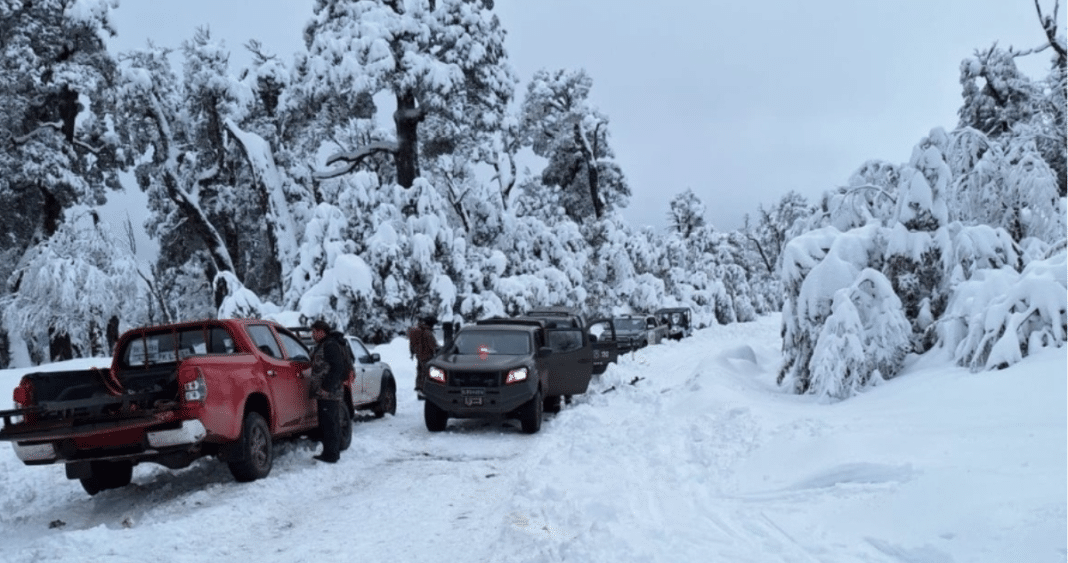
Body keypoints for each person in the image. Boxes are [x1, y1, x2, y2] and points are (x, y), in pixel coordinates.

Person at [309, 319, 349, 464]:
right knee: (330, 422)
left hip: (329, 392)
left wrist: (326, 387)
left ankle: (330, 455)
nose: (312, 335)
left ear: (321, 331)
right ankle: (332, 452)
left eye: (314, 332)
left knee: (329, 423)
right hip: (327, 392)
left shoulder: (330, 345)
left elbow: (337, 367)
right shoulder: (324, 345)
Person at [407, 315, 438, 395]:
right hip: (427, 356)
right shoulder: (427, 332)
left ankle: (419, 388)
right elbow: (434, 346)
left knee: (420, 372)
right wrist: (439, 351)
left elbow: (412, 345)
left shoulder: (420, 330)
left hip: (419, 355)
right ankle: (424, 390)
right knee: (426, 373)